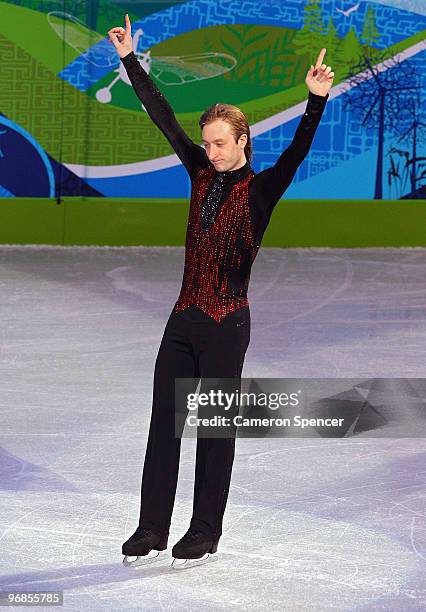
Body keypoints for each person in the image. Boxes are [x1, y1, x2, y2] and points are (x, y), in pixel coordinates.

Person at [108, 14, 334, 570]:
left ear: (241, 141)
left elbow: (299, 151)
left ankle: (204, 531)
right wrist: (130, 61)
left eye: (217, 144)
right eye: (205, 143)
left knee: (211, 430)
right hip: (183, 317)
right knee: (165, 424)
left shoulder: (262, 189)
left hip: (227, 323)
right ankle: (150, 529)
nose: (208, 151)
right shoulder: (198, 172)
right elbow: (164, 120)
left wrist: (314, 101)